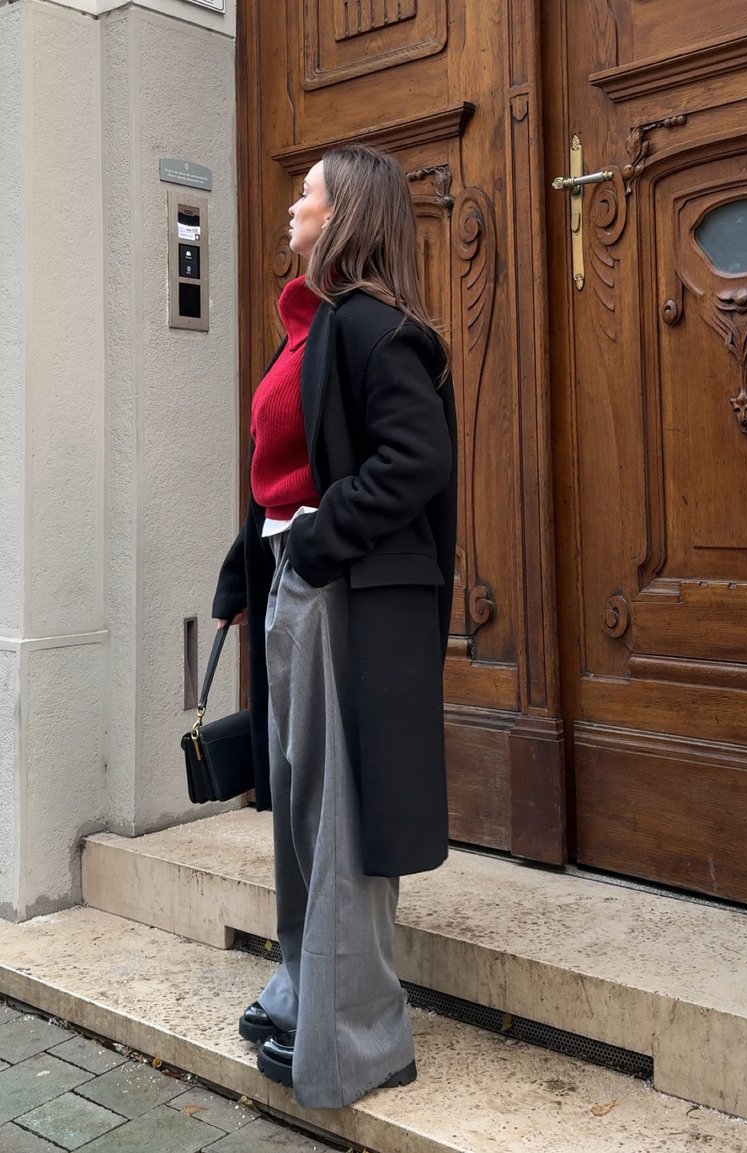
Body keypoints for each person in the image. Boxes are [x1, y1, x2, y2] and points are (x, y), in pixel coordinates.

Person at [212, 143, 457, 1110]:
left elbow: (413, 461)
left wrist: (315, 547)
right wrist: (248, 570)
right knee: (302, 810)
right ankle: (305, 991)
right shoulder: (309, 326)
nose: (289, 207)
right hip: (299, 584)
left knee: (342, 816)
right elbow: (278, 470)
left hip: (343, 595)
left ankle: (364, 1038)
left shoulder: (374, 327)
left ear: (346, 213)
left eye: (304, 195)